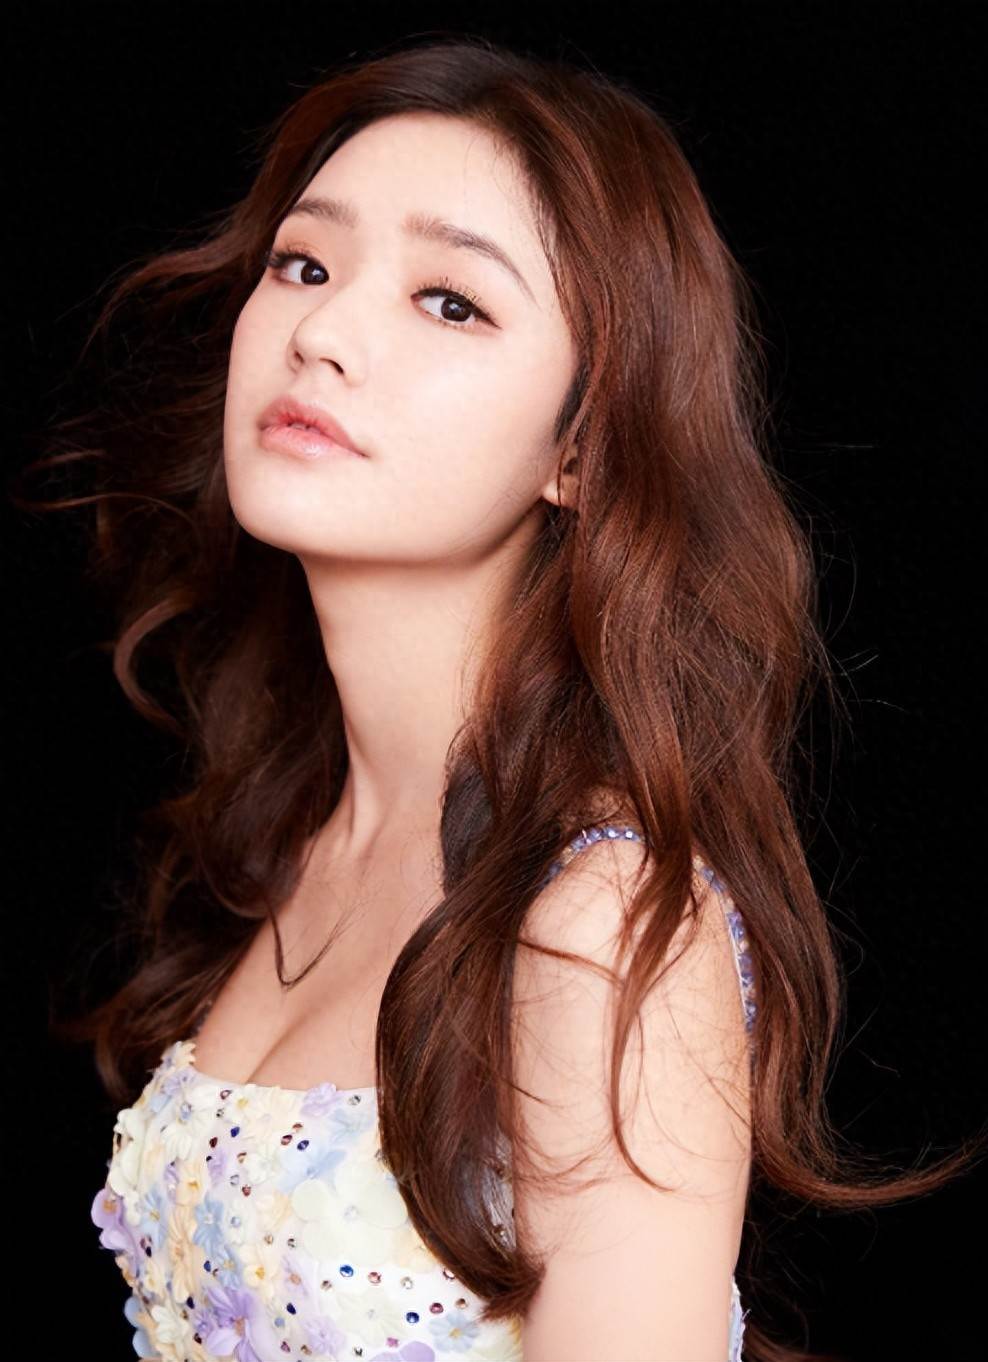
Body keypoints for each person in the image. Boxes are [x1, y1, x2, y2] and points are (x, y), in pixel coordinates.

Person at [24, 34, 983, 1362]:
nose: (321, 334)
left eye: (450, 302)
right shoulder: (293, 831)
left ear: (581, 449)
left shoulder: (602, 922)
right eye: (304, 263)